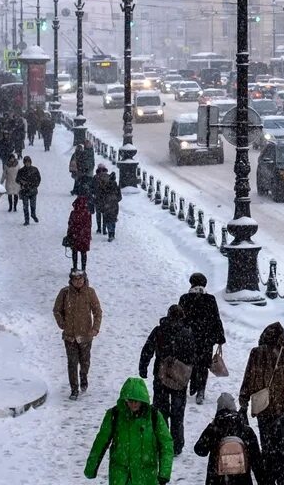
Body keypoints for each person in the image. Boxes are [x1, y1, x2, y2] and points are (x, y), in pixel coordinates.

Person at [84, 376, 174, 485]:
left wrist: (164, 473)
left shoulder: (154, 417)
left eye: (137, 401)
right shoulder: (114, 415)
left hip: (146, 477)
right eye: (130, 400)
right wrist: (91, 467)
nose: (133, 404)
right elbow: (101, 442)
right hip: (121, 476)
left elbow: (166, 444)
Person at [139, 304, 198, 456]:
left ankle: (161, 441)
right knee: (178, 414)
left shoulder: (159, 331)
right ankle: (177, 445)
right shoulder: (187, 333)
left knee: (160, 411)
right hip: (180, 378)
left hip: (161, 375)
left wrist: (143, 367)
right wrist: (194, 379)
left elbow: (148, 349)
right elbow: (193, 357)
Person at [238, 322, 284, 450]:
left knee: (266, 440)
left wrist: (243, 401)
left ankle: (268, 463)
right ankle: (280, 464)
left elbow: (249, 377)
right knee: (283, 441)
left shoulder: (257, 353)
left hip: (264, 405)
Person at [193, 393, 267, 485]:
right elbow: (257, 461)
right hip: (242, 480)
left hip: (217, 480)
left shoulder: (214, 429)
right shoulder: (246, 430)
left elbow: (200, 450)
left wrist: (210, 427)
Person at [53, 269, 102, 400]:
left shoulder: (90, 293)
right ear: (71, 280)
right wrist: (62, 323)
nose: (78, 282)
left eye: (80, 279)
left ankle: (83, 377)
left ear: (84, 279)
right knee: (72, 363)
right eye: (75, 279)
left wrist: (95, 329)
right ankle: (74, 389)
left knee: (85, 362)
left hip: (86, 336)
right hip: (70, 336)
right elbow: (56, 310)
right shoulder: (65, 293)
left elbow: (97, 312)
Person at [179, 273, 227, 405]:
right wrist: (220, 337)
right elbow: (215, 318)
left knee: (190, 362)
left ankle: (193, 384)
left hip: (189, 338)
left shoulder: (185, 299)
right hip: (206, 339)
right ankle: (201, 390)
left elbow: (180, 320)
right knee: (204, 365)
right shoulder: (210, 299)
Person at [66, 196, 93, 271]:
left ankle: (75, 267)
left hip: (75, 235)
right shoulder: (87, 213)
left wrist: (69, 234)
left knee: (74, 252)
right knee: (83, 252)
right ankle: (83, 268)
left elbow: (70, 224)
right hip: (84, 236)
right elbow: (89, 225)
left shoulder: (73, 213)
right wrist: (88, 235)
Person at [16, 155, 42, 225]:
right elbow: (17, 180)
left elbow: (39, 178)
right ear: (24, 163)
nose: (27, 163)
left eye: (29, 162)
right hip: (24, 191)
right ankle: (26, 220)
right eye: (26, 162)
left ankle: (33, 215)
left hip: (33, 191)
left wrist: (35, 185)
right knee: (25, 206)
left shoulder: (35, 169)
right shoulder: (21, 171)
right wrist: (22, 182)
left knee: (33, 205)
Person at [97, 171, 122, 241]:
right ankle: (112, 233)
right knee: (113, 219)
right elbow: (120, 197)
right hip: (114, 205)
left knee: (108, 219)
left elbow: (101, 195)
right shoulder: (117, 187)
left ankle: (110, 234)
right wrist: (115, 200)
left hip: (106, 205)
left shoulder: (105, 186)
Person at [92, 165, 113, 234]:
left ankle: (99, 228)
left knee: (98, 214)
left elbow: (92, 187)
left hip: (97, 197)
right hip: (105, 198)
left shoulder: (95, 177)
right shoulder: (108, 176)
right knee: (105, 214)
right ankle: (104, 229)